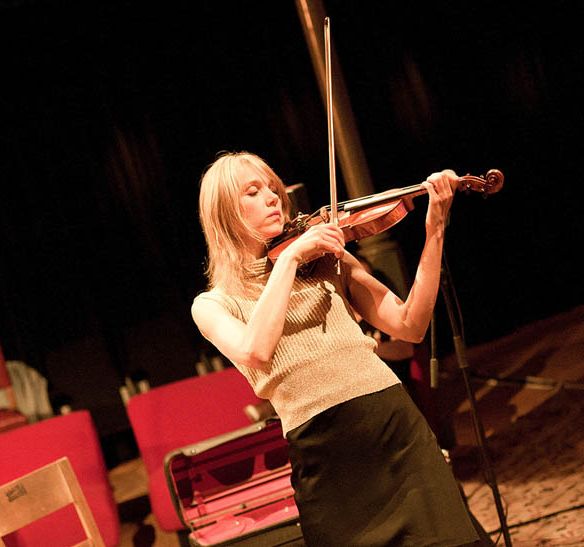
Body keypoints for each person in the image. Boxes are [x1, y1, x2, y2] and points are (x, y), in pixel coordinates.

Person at [191, 152, 485, 546]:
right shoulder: (213, 304)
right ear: (225, 214)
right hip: (325, 456)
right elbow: (255, 349)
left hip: (392, 428)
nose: (273, 198)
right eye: (254, 191)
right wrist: (291, 257)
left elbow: (410, 325)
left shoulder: (329, 262)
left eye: (273, 189)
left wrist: (434, 229)